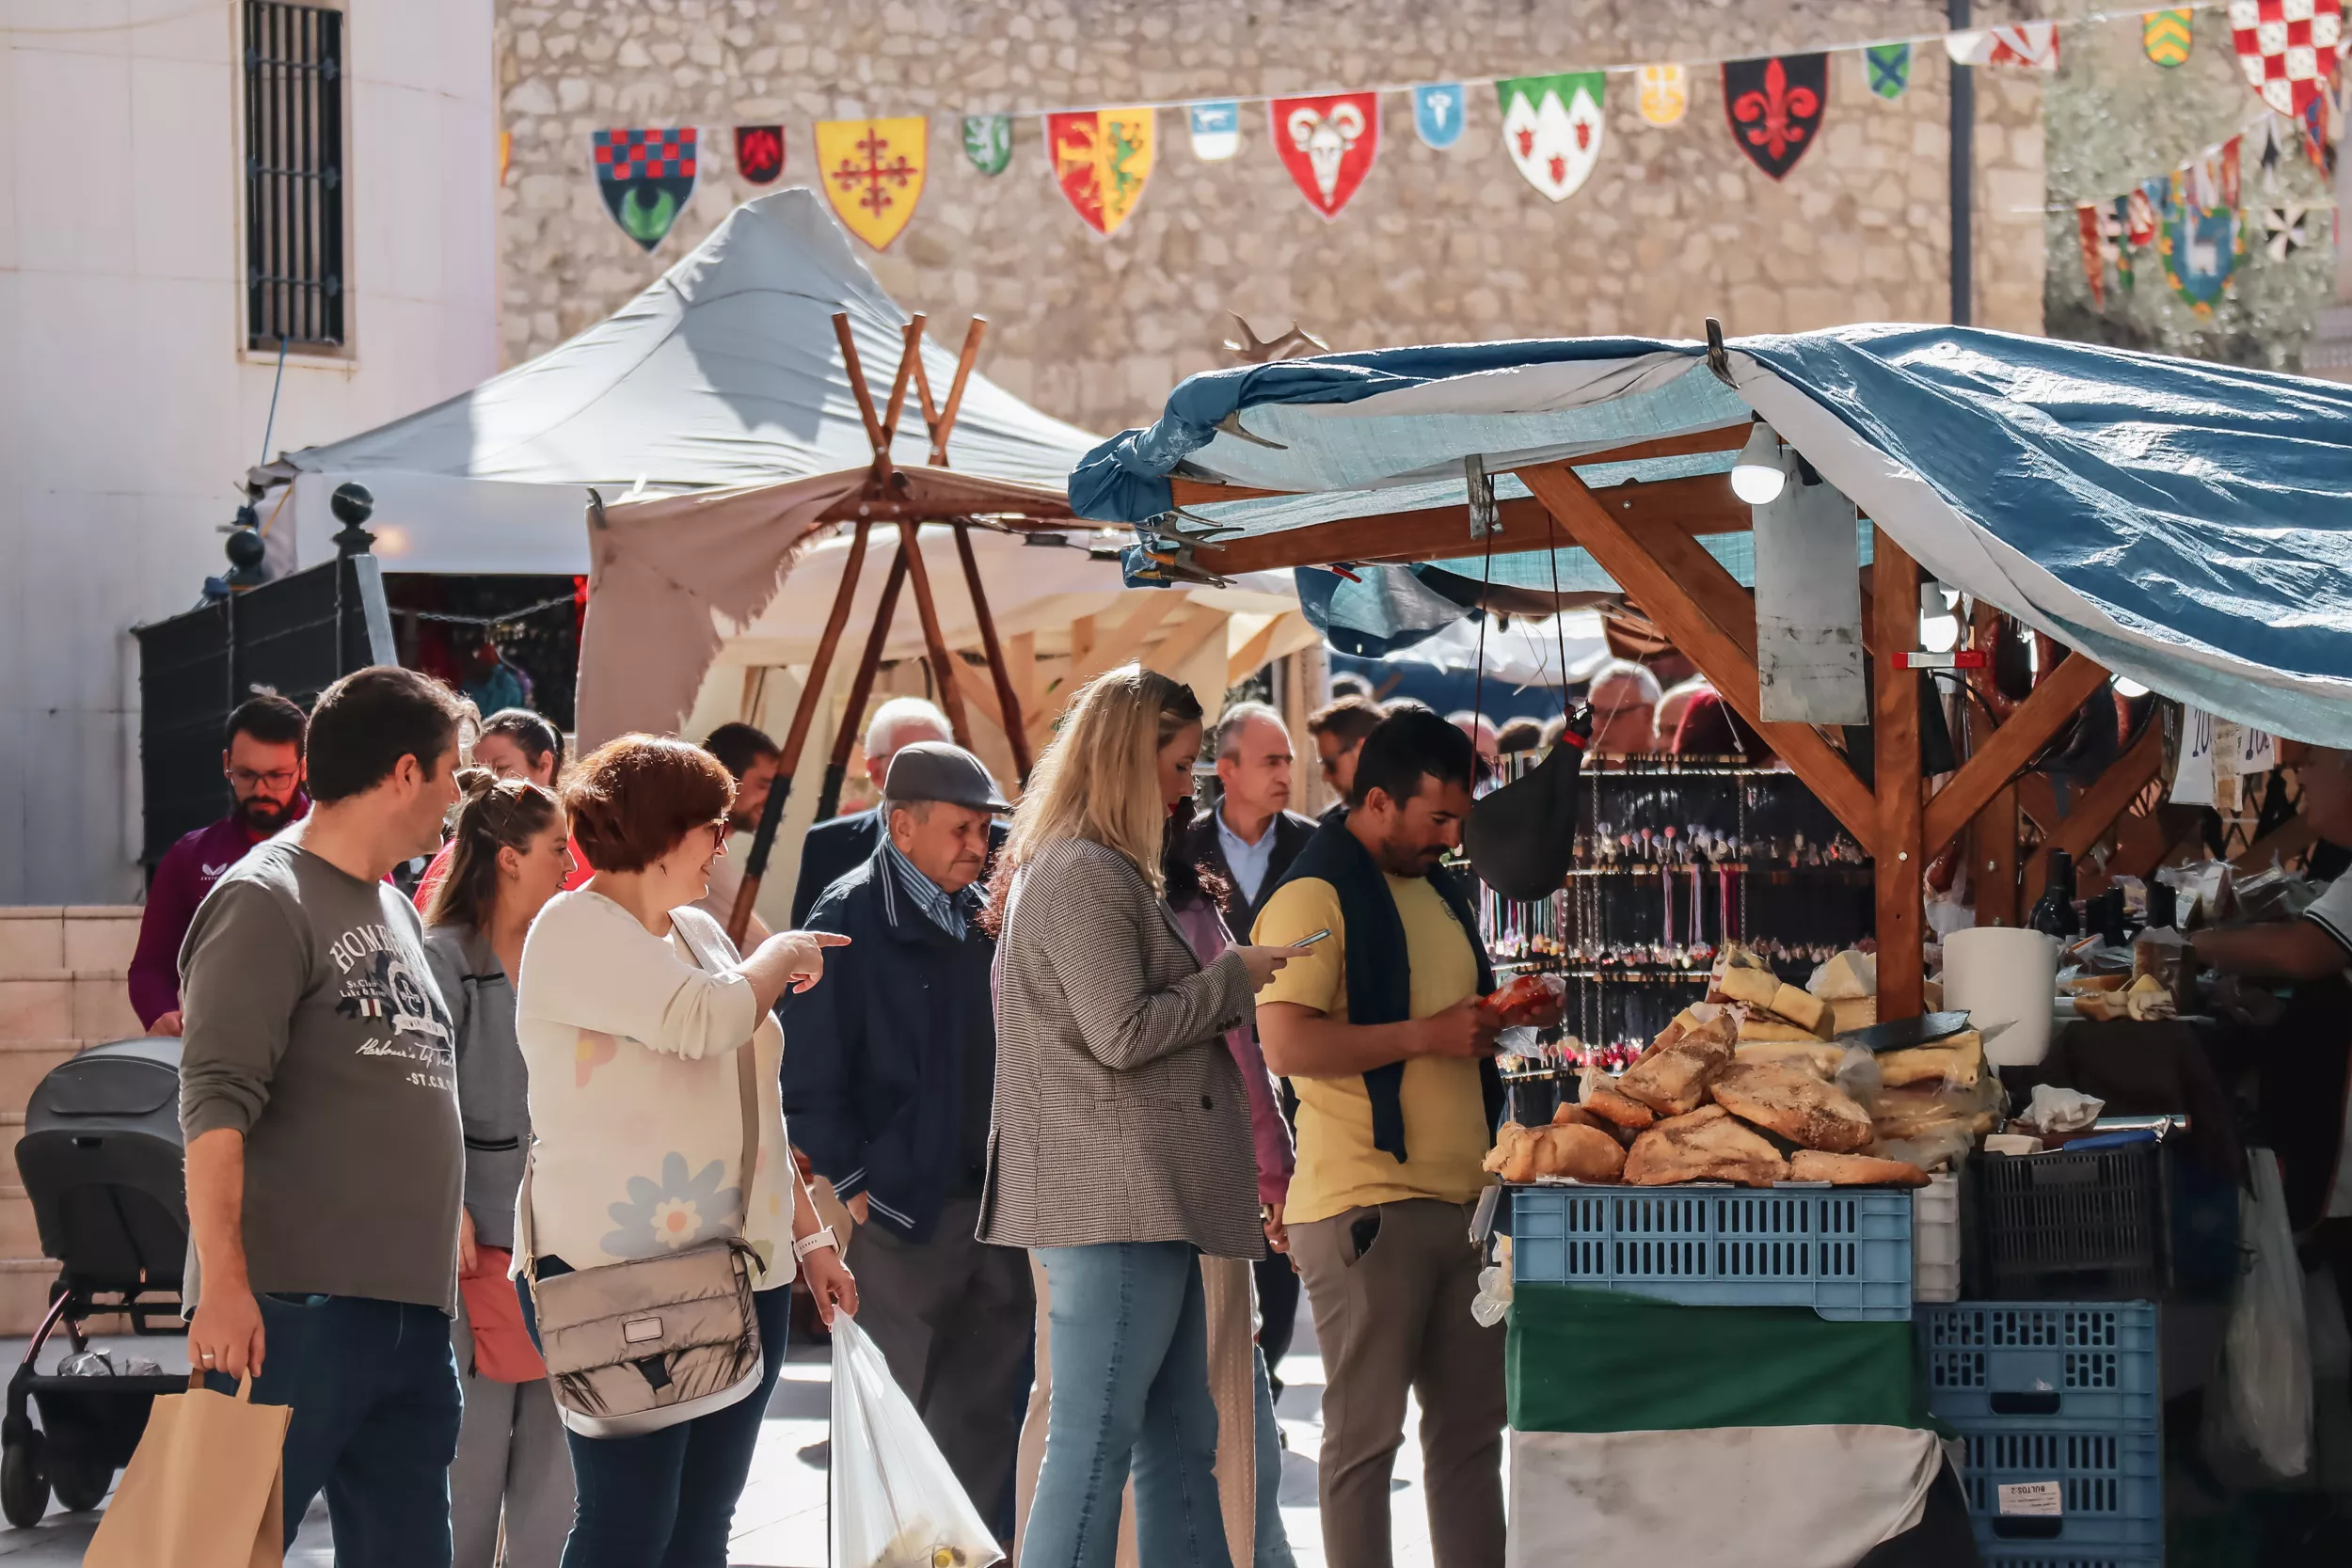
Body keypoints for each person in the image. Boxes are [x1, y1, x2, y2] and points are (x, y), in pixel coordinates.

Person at [983, 664, 1303, 1568]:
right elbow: (1122, 1032)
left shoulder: (1096, 868)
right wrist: (1232, 981)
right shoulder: (1083, 871)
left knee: (1179, 1437)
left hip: (1140, 1202)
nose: (1186, 786)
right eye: (1177, 762)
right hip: (1112, 1204)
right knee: (1096, 1445)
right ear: (1128, 759)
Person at [514, 735, 859, 1568]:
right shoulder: (572, 926)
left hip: (748, 1267)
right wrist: (782, 953)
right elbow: (705, 1018)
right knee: (629, 1525)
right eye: (715, 825)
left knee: (703, 1525)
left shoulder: (701, 933)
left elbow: (755, 1105)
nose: (723, 843)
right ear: (664, 832)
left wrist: (811, 1240)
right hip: (619, 1272)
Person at [1251, 708, 1562, 1568]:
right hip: (1365, 1211)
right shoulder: (1311, 894)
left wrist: (1507, 1020)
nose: (1455, 837)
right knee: (1363, 1444)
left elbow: (1446, 1028)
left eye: (1461, 818)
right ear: (1379, 800)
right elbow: (1284, 1043)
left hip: (1464, 1205)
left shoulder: (1437, 887)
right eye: (1438, 818)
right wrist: (1428, 1034)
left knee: (1469, 1441)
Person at [180, 666, 472, 1562]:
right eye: (452, 769)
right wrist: (224, 1286)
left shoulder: (393, 903)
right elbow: (214, 1104)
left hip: (411, 1317)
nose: (459, 793)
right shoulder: (262, 898)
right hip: (288, 1310)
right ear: (403, 772)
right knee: (217, 1548)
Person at [781, 741, 1030, 1535]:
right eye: (961, 829)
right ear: (902, 823)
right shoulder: (847, 913)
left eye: (987, 832)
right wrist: (859, 1185)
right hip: (896, 1215)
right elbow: (807, 1075)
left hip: (1000, 1207)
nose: (978, 847)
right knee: (892, 1429)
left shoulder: (993, 909)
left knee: (988, 1426)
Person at [422, 769, 578, 1568]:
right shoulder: (442, 954)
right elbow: (419, 1094)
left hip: (566, 1247)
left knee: (558, 1476)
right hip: (472, 1244)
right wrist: (444, 1202)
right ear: (508, 857)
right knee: (468, 1467)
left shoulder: (565, 951)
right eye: (557, 846)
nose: (569, 860)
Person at [1181, 703, 1315, 1396]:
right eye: (1271, 760)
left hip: (1295, 1069)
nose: (1286, 773)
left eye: (1289, 759)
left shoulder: (1314, 847)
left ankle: (1267, 1369)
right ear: (1225, 768)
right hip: (1212, 1068)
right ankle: (1233, 1374)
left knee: (1282, 1231)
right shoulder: (1180, 850)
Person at [130, 692, 310, 1035]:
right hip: (221, 1050)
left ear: (303, 768)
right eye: (246, 775)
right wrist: (161, 1013)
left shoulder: (346, 849)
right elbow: (150, 968)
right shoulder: (191, 856)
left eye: (277, 776)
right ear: (226, 762)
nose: (261, 790)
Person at [791, 696, 957, 925]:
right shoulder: (827, 845)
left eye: (943, 758)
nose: (931, 773)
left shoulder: (993, 845)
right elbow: (807, 944)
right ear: (875, 771)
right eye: (913, 760)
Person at [414, 708, 581, 913]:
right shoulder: (459, 853)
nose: (489, 780)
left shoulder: (589, 846)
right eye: (478, 768)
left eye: (500, 767)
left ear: (544, 764)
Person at [696, 721, 781, 939]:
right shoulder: (695, 847)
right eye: (763, 786)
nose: (772, 801)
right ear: (727, 777)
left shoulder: (711, 849)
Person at [1306, 695, 1383, 817]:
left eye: (1330, 765)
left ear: (1363, 751)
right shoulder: (1325, 825)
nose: (1325, 777)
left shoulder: (1417, 816)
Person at [1584, 658, 1662, 756]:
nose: (1595, 728)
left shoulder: (1675, 769)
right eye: (1590, 715)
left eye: (1610, 715)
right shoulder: (1571, 769)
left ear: (1648, 715)